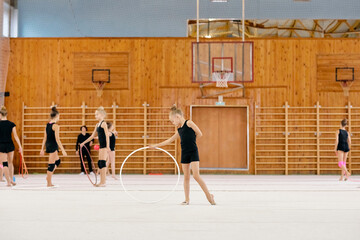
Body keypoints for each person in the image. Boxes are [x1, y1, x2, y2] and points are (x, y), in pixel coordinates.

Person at [150, 106, 215, 205]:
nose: (173, 123)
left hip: (193, 152)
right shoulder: (179, 130)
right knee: (186, 177)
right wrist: (156, 145)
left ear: (177, 117)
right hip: (184, 153)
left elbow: (200, 134)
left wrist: (192, 141)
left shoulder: (189, 123)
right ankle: (187, 199)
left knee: (196, 176)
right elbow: (169, 140)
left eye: (172, 121)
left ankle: (209, 196)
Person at [80, 107, 110, 187]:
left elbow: (107, 135)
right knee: (100, 163)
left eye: (97, 114)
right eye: (95, 115)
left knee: (102, 163)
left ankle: (103, 182)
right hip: (101, 146)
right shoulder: (97, 125)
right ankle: (102, 181)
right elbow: (92, 136)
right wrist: (83, 142)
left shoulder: (103, 123)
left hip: (104, 146)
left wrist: (108, 146)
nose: (95, 116)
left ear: (102, 115)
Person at [40, 107, 67, 187]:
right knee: (51, 165)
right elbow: (58, 139)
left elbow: (44, 138)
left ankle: (48, 176)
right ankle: (49, 182)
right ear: (56, 116)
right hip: (53, 146)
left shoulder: (47, 125)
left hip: (48, 145)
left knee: (57, 161)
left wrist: (42, 148)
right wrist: (63, 150)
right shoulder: (55, 126)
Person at [0, 106, 22, 186]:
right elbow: (15, 136)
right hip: (10, 145)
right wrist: (20, 146)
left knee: (4, 163)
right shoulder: (11, 124)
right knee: (10, 163)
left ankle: (9, 182)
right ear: (7, 114)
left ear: (0, 114)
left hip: (1, 145)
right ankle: (11, 180)